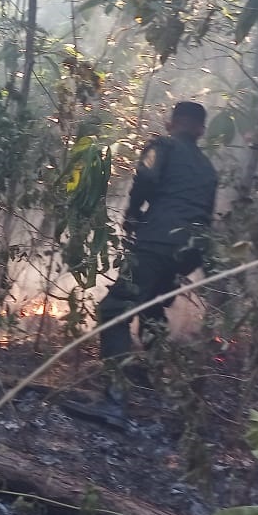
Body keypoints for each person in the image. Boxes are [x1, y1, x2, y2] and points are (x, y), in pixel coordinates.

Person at [69, 101, 219, 429]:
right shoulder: (208, 168)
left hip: (157, 242)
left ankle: (114, 402)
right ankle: (149, 375)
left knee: (114, 310)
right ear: (200, 129)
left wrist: (133, 215)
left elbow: (146, 180)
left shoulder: (161, 146)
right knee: (152, 309)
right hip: (189, 250)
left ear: (172, 122)